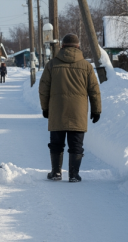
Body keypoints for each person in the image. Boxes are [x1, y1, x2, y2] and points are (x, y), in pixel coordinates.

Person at [38, 33, 101, 182]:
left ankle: (56, 172)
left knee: (56, 144)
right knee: (76, 144)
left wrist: (45, 107)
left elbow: (43, 88)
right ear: (78, 46)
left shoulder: (52, 64)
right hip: (78, 111)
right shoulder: (86, 66)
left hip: (57, 110)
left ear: (62, 46)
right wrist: (96, 110)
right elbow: (94, 89)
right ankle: (73, 174)